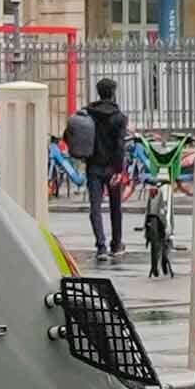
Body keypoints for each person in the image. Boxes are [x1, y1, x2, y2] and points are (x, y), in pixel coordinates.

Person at [75, 76, 134, 263]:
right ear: (113, 93)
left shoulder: (88, 113)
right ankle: (116, 244)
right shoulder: (119, 117)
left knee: (95, 207)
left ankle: (100, 246)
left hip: (93, 166)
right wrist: (119, 170)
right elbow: (119, 146)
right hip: (112, 168)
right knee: (115, 207)